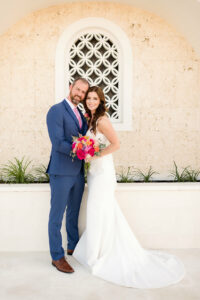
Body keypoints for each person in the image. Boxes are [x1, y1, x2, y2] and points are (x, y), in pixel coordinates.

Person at [73, 86, 186, 288]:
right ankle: (98, 249)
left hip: (104, 173)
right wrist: (85, 151)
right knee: (102, 212)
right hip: (94, 172)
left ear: (100, 101)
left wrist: (95, 155)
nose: (90, 101)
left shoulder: (102, 120)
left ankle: (100, 254)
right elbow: (90, 143)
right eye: (88, 98)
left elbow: (116, 144)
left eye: (94, 99)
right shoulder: (89, 120)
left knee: (98, 210)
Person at [46, 78, 89, 273]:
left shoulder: (81, 114)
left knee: (73, 213)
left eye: (83, 92)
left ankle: (74, 246)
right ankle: (57, 256)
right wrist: (79, 150)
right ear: (71, 87)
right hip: (61, 171)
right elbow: (58, 142)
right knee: (57, 216)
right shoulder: (56, 110)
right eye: (77, 89)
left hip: (78, 172)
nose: (79, 93)